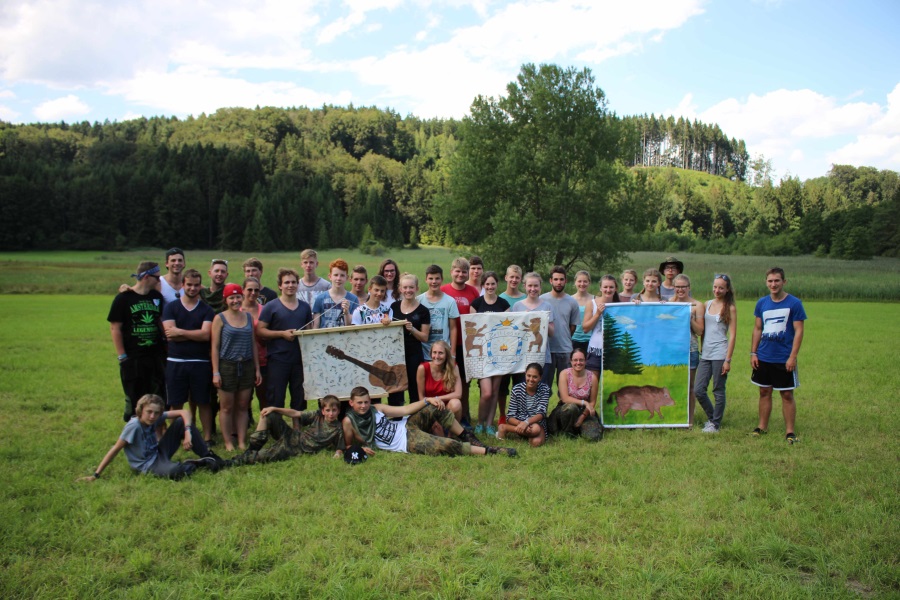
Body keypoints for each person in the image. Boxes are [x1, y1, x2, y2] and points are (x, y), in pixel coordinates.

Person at [78, 394, 222, 481]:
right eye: (149, 412)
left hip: (159, 453)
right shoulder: (134, 426)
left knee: (180, 422)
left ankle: (209, 456)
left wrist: (187, 432)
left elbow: (184, 412)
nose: (152, 416)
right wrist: (96, 475)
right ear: (141, 410)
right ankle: (194, 464)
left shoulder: (155, 417)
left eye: (156, 413)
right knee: (177, 472)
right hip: (148, 465)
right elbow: (115, 449)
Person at [343, 387, 516, 458]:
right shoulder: (348, 421)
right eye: (359, 403)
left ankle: (468, 436)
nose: (364, 406)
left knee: (436, 407)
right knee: (445, 445)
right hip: (406, 442)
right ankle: (490, 451)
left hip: (407, 425)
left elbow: (404, 410)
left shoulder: (376, 408)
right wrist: (360, 449)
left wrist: (427, 400)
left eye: (366, 402)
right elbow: (348, 445)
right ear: (351, 403)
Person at [750, 268, 807, 444]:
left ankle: (790, 431)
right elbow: (758, 328)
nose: (773, 284)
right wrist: (753, 352)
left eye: (777, 281)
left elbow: (799, 331)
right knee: (764, 391)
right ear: (766, 282)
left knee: (787, 394)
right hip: (764, 356)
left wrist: (793, 357)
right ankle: (762, 427)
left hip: (783, 357)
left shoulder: (794, 303)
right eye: (770, 281)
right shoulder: (762, 303)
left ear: (784, 282)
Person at [108, 260, 167, 421]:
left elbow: (160, 321)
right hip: (133, 357)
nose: (159, 280)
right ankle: (134, 429)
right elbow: (115, 328)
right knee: (135, 398)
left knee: (157, 397)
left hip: (155, 356)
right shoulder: (123, 298)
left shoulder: (156, 297)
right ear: (146, 277)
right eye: (157, 277)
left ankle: (155, 430)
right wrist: (122, 356)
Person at [161, 268, 215, 444]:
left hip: (200, 362)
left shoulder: (207, 310)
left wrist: (181, 332)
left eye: (196, 285)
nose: (193, 288)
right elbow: (170, 334)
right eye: (189, 285)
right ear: (183, 285)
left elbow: (205, 335)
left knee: (203, 402)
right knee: (176, 402)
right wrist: (193, 334)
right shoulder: (171, 307)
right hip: (176, 361)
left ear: (200, 286)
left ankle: (207, 438)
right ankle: (176, 436)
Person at [257, 268, 313, 427]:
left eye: (294, 282)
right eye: (286, 282)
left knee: (299, 396)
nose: (290, 285)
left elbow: (309, 331)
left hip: (299, 360)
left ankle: (297, 430)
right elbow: (260, 330)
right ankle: (277, 429)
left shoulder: (304, 307)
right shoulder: (271, 306)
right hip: (278, 359)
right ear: (280, 285)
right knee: (276, 396)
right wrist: (282, 334)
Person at [211, 283, 261, 451]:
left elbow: (253, 343)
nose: (235, 301)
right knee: (226, 407)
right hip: (227, 365)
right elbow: (215, 347)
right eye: (231, 298)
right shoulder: (220, 318)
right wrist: (216, 372)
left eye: (238, 297)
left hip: (246, 364)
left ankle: (241, 440)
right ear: (225, 300)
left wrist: (257, 369)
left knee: (242, 405)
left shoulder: (248, 317)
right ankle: (228, 442)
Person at [227, 395, 345, 466]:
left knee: (266, 455)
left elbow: (340, 447)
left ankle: (230, 462)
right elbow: (295, 413)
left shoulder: (338, 428)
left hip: (297, 449)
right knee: (270, 415)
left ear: (338, 411)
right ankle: (252, 448)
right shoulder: (317, 415)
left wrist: (337, 454)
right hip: (293, 436)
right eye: (328, 410)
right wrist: (274, 408)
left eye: (334, 410)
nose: (331, 414)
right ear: (323, 411)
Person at [695, 274, 737, 433]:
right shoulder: (707, 304)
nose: (717, 290)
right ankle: (713, 418)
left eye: (721, 288)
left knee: (718, 390)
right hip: (706, 354)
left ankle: (715, 424)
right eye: (715, 287)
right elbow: (703, 329)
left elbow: (732, 335)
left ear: (727, 289)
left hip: (720, 354)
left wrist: (728, 360)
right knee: (698, 390)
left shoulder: (730, 308)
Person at [470, 271, 510, 435]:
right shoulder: (476, 304)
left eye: (493, 284)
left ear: (497, 284)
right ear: (483, 285)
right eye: (487, 284)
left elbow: (508, 329)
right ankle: (480, 423)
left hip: (500, 353)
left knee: (495, 391)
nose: (490, 287)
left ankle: (489, 424)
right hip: (482, 354)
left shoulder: (504, 304)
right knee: (486, 392)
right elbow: (472, 330)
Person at [441, 257, 480, 427]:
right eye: (457, 271)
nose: (461, 274)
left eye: (464, 271)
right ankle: (444, 415)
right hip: (447, 343)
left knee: (464, 381)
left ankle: (464, 415)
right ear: (451, 272)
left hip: (467, 344)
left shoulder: (473, 292)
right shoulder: (443, 290)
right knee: (445, 380)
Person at [389, 273, 431, 406]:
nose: (408, 290)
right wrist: (385, 321)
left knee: (415, 388)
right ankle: (396, 416)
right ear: (400, 289)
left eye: (411, 287)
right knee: (396, 389)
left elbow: (425, 337)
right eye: (405, 287)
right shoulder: (393, 307)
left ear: (417, 288)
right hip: (396, 355)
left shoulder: (423, 311)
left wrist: (412, 329)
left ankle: (415, 415)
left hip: (414, 354)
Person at [546, 348, 603, 441]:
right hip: (566, 409)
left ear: (585, 361)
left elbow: (592, 402)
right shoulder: (564, 374)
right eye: (575, 360)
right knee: (571, 408)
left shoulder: (593, 377)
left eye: (581, 360)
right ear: (571, 361)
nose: (578, 363)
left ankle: (578, 428)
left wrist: (582, 417)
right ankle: (568, 432)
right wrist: (584, 402)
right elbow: (564, 398)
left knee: (594, 437)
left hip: (585, 412)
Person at [540, 266, 580, 388]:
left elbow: (572, 326)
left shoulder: (572, 302)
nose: (559, 282)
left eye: (561, 279)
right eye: (556, 279)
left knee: (566, 388)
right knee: (544, 387)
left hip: (565, 350)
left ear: (565, 281)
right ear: (550, 281)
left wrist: (564, 337)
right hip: (547, 350)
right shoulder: (542, 300)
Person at [511, 272, 555, 382]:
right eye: (530, 286)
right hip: (522, 356)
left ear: (540, 287)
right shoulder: (517, 306)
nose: (533, 289)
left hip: (542, 356)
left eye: (536, 286)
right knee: (522, 386)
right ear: (525, 286)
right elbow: (514, 332)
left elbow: (552, 333)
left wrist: (543, 319)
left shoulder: (547, 306)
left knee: (541, 387)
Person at [673, 274, 705, 425]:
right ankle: (675, 417)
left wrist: (689, 318)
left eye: (683, 287)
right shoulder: (668, 303)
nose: (680, 290)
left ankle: (689, 420)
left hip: (690, 350)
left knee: (690, 386)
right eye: (677, 287)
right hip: (673, 351)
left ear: (689, 288)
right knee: (674, 384)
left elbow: (700, 331)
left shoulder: (697, 305)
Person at [497, 264, 525, 424]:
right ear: (506, 277)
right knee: (502, 385)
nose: (514, 280)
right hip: (504, 350)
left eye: (517, 277)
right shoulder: (499, 299)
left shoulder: (525, 298)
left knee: (520, 384)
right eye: (511, 277)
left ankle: (518, 415)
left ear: (521, 279)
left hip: (521, 350)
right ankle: (502, 415)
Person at [497, 363, 549, 447]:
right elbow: (510, 417)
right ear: (525, 374)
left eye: (535, 377)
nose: (531, 379)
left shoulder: (544, 389)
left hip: (536, 423)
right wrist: (521, 424)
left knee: (536, 440)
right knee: (535, 430)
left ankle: (509, 429)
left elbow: (541, 414)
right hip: (519, 422)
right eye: (529, 376)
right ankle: (510, 429)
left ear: (540, 378)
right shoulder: (517, 389)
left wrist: (526, 423)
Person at [581, 275, 620, 378]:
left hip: (613, 349)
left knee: (611, 382)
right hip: (595, 349)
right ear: (600, 288)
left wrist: (636, 304)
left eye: (611, 287)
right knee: (592, 381)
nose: (608, 290)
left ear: (615, 288)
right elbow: (585, 328)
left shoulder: (620, 305)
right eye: (605, 287)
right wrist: (597, 314)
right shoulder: (592, 303)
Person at [418, 264, 459, 359]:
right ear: (426, 280)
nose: (434, 282)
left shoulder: (450, 301)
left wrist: (453, 353)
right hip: (423, 352)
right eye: (431, 278)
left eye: (437, 278)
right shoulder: (418, 300)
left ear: (442, 279)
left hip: (443, 352)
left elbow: (453, 328)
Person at [241, 276, 269, 416]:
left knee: (263, 395)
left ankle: (265, 422)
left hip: (263, 357)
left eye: (256, 290)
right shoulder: (237, 310)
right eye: (249, 289)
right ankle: (246, 420)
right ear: (243, 290)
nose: (253, 293)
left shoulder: (265, 310)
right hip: (243, 359)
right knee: (244, 397)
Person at [416, 340, 463, 421]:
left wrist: (438, 398)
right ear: (430, 354)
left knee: (456, 403)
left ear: (446, 355)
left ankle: (451, 429)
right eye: (434, 352)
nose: (437, 356)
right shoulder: (422, 368)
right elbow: (421, 398)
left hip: (448, 407)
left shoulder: (453, 367)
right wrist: (433, 401)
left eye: (440, 353)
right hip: (430, 407)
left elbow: (458, 394)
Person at [312, 259, 358, 329]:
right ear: (330, 276)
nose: (338, 278)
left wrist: (346, 312)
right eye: (336, 275)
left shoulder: (353, 299)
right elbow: (316, 326)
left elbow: (352, 327)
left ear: (347, 278)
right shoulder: (320, 298)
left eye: (342, 275)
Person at [571, 270, 593, 354]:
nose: (582, 284)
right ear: (575, 282)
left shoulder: (595, 299)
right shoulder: (569, 300)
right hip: (573, 339)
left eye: (585, 281)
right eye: (579, 281)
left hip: (591, 339)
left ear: (589, 283)